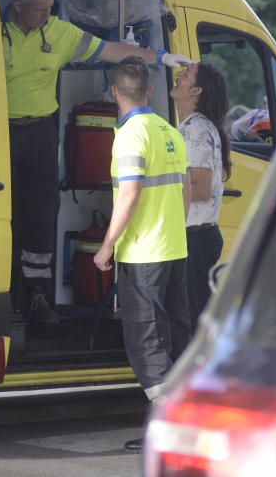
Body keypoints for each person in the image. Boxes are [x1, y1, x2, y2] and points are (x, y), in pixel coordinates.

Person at [3, 0, 191, 323]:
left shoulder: (58, 32)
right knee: (2, 211)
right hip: (1, 132)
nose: (48, 16)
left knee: (42, 214)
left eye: (51, 8)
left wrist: (161, 57)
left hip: (41, 132)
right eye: (40, 10)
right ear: (18, 6)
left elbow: (110, 51)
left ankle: (37, 297)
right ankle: (2, 290)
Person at [92, 57, 190, 453]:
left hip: (143, 253)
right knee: (172, 337)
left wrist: (106, 246)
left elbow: (129, 194)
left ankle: (174, 427)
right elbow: (185, 193)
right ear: (149, 91)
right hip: (174, 248)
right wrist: (173, 229)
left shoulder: (130, 134)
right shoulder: (170, 131)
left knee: (145, 341)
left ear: (115, 93)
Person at [170, 62, 232, 332]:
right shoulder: (190, 127)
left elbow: (202, 188)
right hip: (194, 238)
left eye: (185, 75)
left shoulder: (196, 129)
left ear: (196, 90)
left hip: (195, 239)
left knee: (193, 327)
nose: (178, 77)